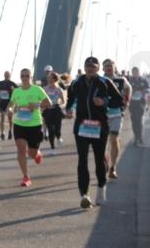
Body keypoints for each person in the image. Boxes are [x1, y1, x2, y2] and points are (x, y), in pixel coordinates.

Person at [65, 56, 124, 208]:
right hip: (82, 126)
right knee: (82, 160)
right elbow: (70, 98)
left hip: (100, 126)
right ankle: (84, 195)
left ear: (98, 68)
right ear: (84, 68)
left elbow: (119, 99)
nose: (90, 68)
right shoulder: (76, 82)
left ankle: (101, 190)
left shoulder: (105, 82)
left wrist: (105, 102)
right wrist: (69, 109)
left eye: (93, 66)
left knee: (99, 160)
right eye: (87, 66)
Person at [9, 68, 51, 186]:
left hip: (35, 125)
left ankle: (37, 154)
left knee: (31, 154)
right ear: (20, 77)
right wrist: (10, 110)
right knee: (21, 149)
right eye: (22, 76)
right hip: (19, 124)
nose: (25, 78)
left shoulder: (38, 89)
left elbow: (48, 103)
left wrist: (37, 105)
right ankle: (26, 177)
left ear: (31, 77)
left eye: (27, 76)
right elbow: (11, 104)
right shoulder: (16, 91)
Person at [102, 59, 131, 179]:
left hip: (117, 114)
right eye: (106, 66)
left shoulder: (121, 80)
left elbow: (128, 88)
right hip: (101, 115)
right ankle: (104, 161)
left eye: (110, 66)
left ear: (115, 67)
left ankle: (113, 168)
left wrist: (126, 101)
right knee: (102, 143)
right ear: (102, 68)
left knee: (113, 139)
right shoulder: (99, 80)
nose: (108, 68)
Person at [42, 71, 66, 154]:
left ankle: (58, 137)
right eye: (48, 78)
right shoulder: (44, 89)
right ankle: (52, 148)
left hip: (56, 110)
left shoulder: (59, 89)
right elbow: (41, 100)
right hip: (48, 110)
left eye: (50, 78)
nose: (48, 79)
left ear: (54, 79)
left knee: (57, 130)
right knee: (50, 130)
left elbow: (63, 101)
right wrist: (42, 105)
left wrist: (59, 104)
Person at [127, 66, 149, 147]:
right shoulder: (129, 80)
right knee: (134, 121)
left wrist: (143, 90)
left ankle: (139, 138)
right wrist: (132, 91)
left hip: (141, 103)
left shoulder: (143, 80)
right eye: (134, 72)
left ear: (139, 72)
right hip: (132, 103)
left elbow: (148, 89)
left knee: (139, 120)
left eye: (137, 72)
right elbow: (125, 90)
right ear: (132, 73)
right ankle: (136, 136)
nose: (136, 73)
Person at [0, 71, 18, 140]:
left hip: (10, 103)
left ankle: (10, 131)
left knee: (10, 118)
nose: (6, 76)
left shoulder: (12, 83)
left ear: (9, 76)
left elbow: (18, 92)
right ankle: (2, 133)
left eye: (8, 75)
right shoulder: (0, 83)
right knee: (2, 117)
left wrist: (13, 89)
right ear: (4, 75)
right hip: (2, 102)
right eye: (5, 75)